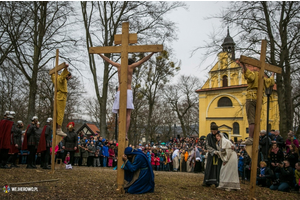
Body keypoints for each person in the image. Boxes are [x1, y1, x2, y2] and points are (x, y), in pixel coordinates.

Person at [98, 52, 156, 138]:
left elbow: (108, 60)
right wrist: (152, 53)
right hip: (128, 90)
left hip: (120, 90)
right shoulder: (131, 67)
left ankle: (120, 132)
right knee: (128, 114)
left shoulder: (119, 66)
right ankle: (124, 133)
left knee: (119, 113)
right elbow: (143, 60)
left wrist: (100, 54)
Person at [236, 60, 275, 145]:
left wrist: (244, 66)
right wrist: (273, 74)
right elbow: (270, 82)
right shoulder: (263, 78)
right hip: (259, 99)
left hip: (251, 97)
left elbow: (249, 76)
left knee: (251, 120)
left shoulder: (254, 75)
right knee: (257, 119)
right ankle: (256, 136)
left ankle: (251, 138)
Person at [51, 64, 72, 137]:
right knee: (60, 113)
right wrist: (65, 68)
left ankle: (56, 128)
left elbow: (53, 75)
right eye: (69, 77)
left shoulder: (55, 77)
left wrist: (55, 71)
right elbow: (62, 77)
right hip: (61, 96)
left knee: (57, 113)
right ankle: (59, 129)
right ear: (67, 75)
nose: (69, 79)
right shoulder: (62, 79)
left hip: (58, 95)